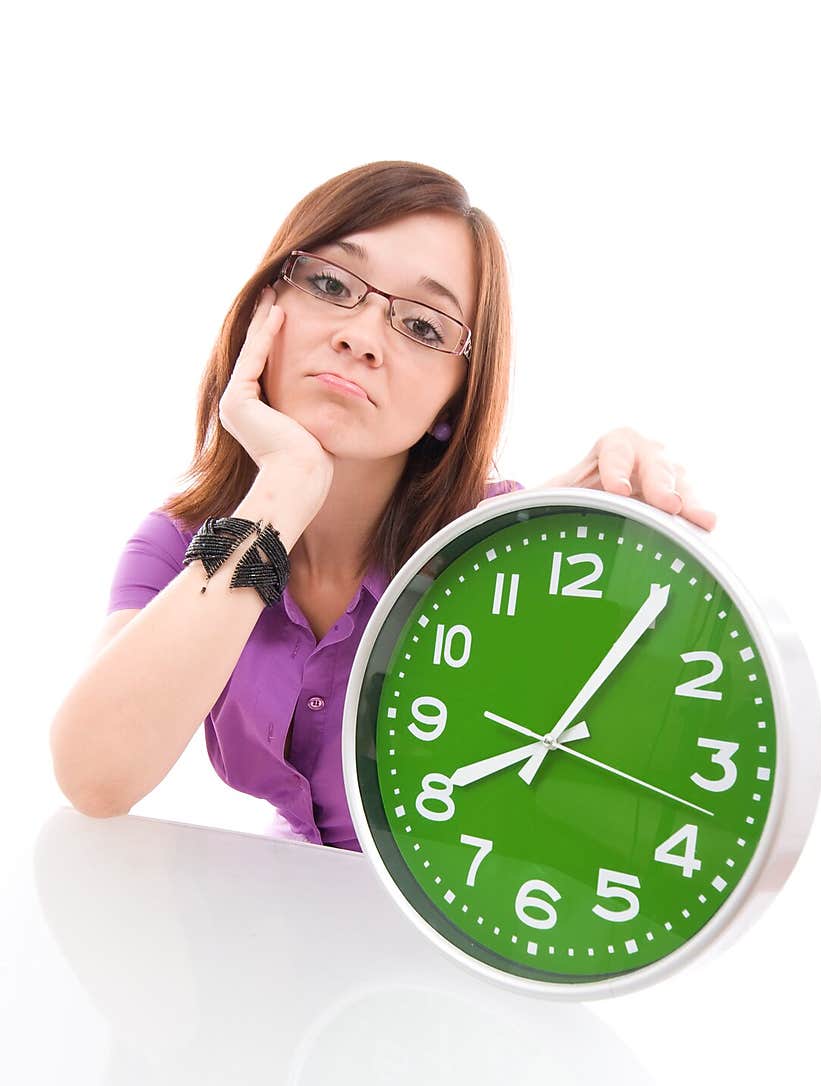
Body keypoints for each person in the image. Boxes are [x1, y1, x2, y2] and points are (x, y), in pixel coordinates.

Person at [49, 160, 717, 853]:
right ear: (263, 313)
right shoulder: (187, 543)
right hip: (286, 921)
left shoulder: (502, 557)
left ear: (455, 398)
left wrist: (626, 526)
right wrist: (285, 487)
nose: (362, 337)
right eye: (332, 285)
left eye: (424, 328)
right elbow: (96, 776)